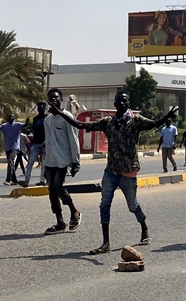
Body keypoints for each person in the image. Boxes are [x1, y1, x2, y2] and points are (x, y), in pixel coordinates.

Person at [51, 90, 177, 254]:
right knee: (104, 205)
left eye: (125, 101)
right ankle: (106, 243)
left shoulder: (136, 121)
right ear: (115, 104)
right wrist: (61, 113)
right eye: (119, 101)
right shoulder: (107, 122)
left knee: (132, 205)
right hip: (111, 171)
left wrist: (166, 117)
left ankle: (144, 227)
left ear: (128, 103)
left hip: (128, 171)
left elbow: (153, 124)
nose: (122, 103)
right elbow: (80, 125)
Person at [41, 88, 83, 235]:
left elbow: (74, 140)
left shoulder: (68, 117)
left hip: (63, 160)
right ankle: (60, 222)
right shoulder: (47, 120)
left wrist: (75, 162)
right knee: (51, 190)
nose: (53, 100)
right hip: (50, 160)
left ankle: (74, 211)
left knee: (57, 186)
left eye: (56, 98)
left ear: (61, 99)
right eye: (50, 98)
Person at [0, 115, 25, 186]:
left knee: (10, 161)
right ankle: (14, 180)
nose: (11, 118)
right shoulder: (4, 126)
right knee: (10, 163)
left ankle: (8, 179)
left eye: (12, 117)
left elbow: (25, 125)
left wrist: (26, 121)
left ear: (14, 118)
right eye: (9, 117)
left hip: (15, 148)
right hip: (7, 148)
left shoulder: (18, 125)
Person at [24, 105, 48, 186]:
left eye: (43, 107)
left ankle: (42, 180)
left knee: (45, 164)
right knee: (30, 162)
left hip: (45, 143)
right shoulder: (35, 119)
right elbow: (34, 129)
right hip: (36, 143)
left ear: (45, 109)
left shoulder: (48, 118)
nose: (41, 109)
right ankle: (26, 180)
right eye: (39, 108)